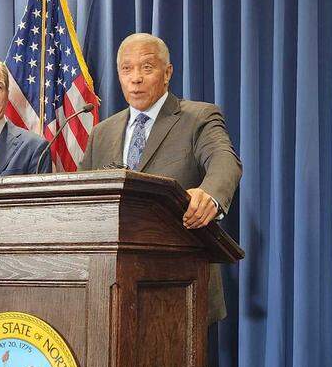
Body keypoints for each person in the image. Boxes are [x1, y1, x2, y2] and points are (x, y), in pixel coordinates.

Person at [79, 32, 242, 324]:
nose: (136, 78)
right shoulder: (101, 133)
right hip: (109, 292)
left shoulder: (198, 117)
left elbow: (224, 160)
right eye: (126, 69)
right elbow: (81, 197)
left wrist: (210, 194)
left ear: (167, 73)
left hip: (180, 286)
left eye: (147, 67)